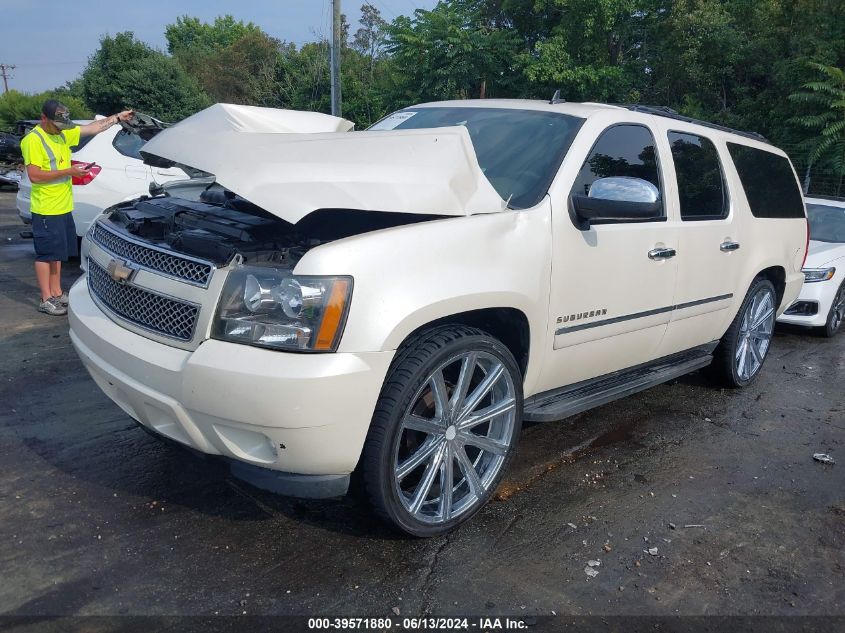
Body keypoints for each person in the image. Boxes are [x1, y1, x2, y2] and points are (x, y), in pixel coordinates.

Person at [21, 100, 133, 315]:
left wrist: (118, 117)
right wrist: (69, 172)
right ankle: (46, 298)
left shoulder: (61, 133)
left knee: (59, 254)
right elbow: (35, 176)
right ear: (44, 118)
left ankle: (57, 291)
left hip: (63, 206)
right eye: (56, 124)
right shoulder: (33, 140)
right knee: (46, 255)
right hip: (46, 209)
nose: (61, 128)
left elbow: (93, 128)